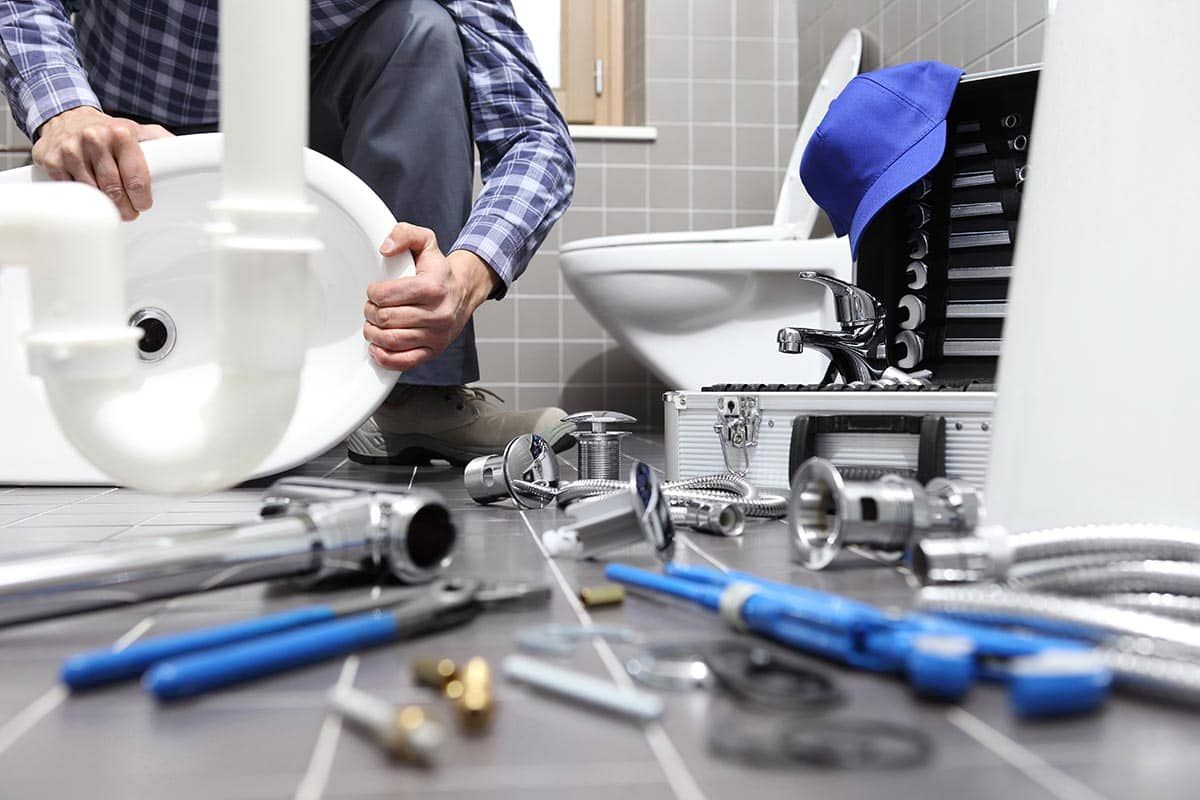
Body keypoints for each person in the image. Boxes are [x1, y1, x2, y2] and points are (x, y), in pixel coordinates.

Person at [0, 0, 577, 465]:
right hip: (124, 130)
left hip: (291, 142)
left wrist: (467, 275)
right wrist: (65, 110)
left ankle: (410, 399)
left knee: (421, 28)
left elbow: (534, 136)